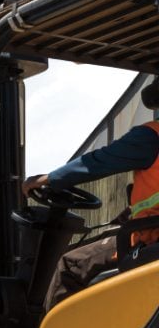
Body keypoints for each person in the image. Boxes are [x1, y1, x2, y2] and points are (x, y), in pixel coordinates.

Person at [22, 79, 159, 311]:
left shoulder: (151, 137)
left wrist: (49, 179)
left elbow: (99, 161)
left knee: (71, 264)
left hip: (151, 237)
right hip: (148, 226)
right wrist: (132, 211)